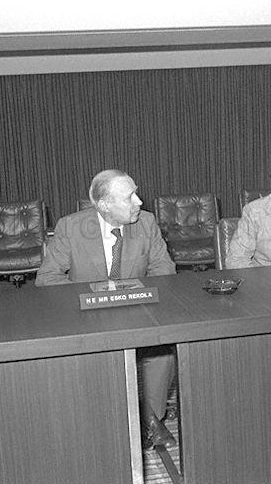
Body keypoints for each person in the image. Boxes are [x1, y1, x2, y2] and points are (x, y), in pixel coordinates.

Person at [35, 169, 177, 449]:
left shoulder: (146, 222)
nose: (139, 201)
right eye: (129, 197)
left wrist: (136, 294)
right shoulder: (71, 227)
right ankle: (139, 421)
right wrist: (95, 296)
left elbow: (165, 270)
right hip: (88, 314)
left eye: (136, 192)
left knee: (162, 350)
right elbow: (47, 278)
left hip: (136, 308)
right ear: (103, 205)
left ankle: (151, 417)